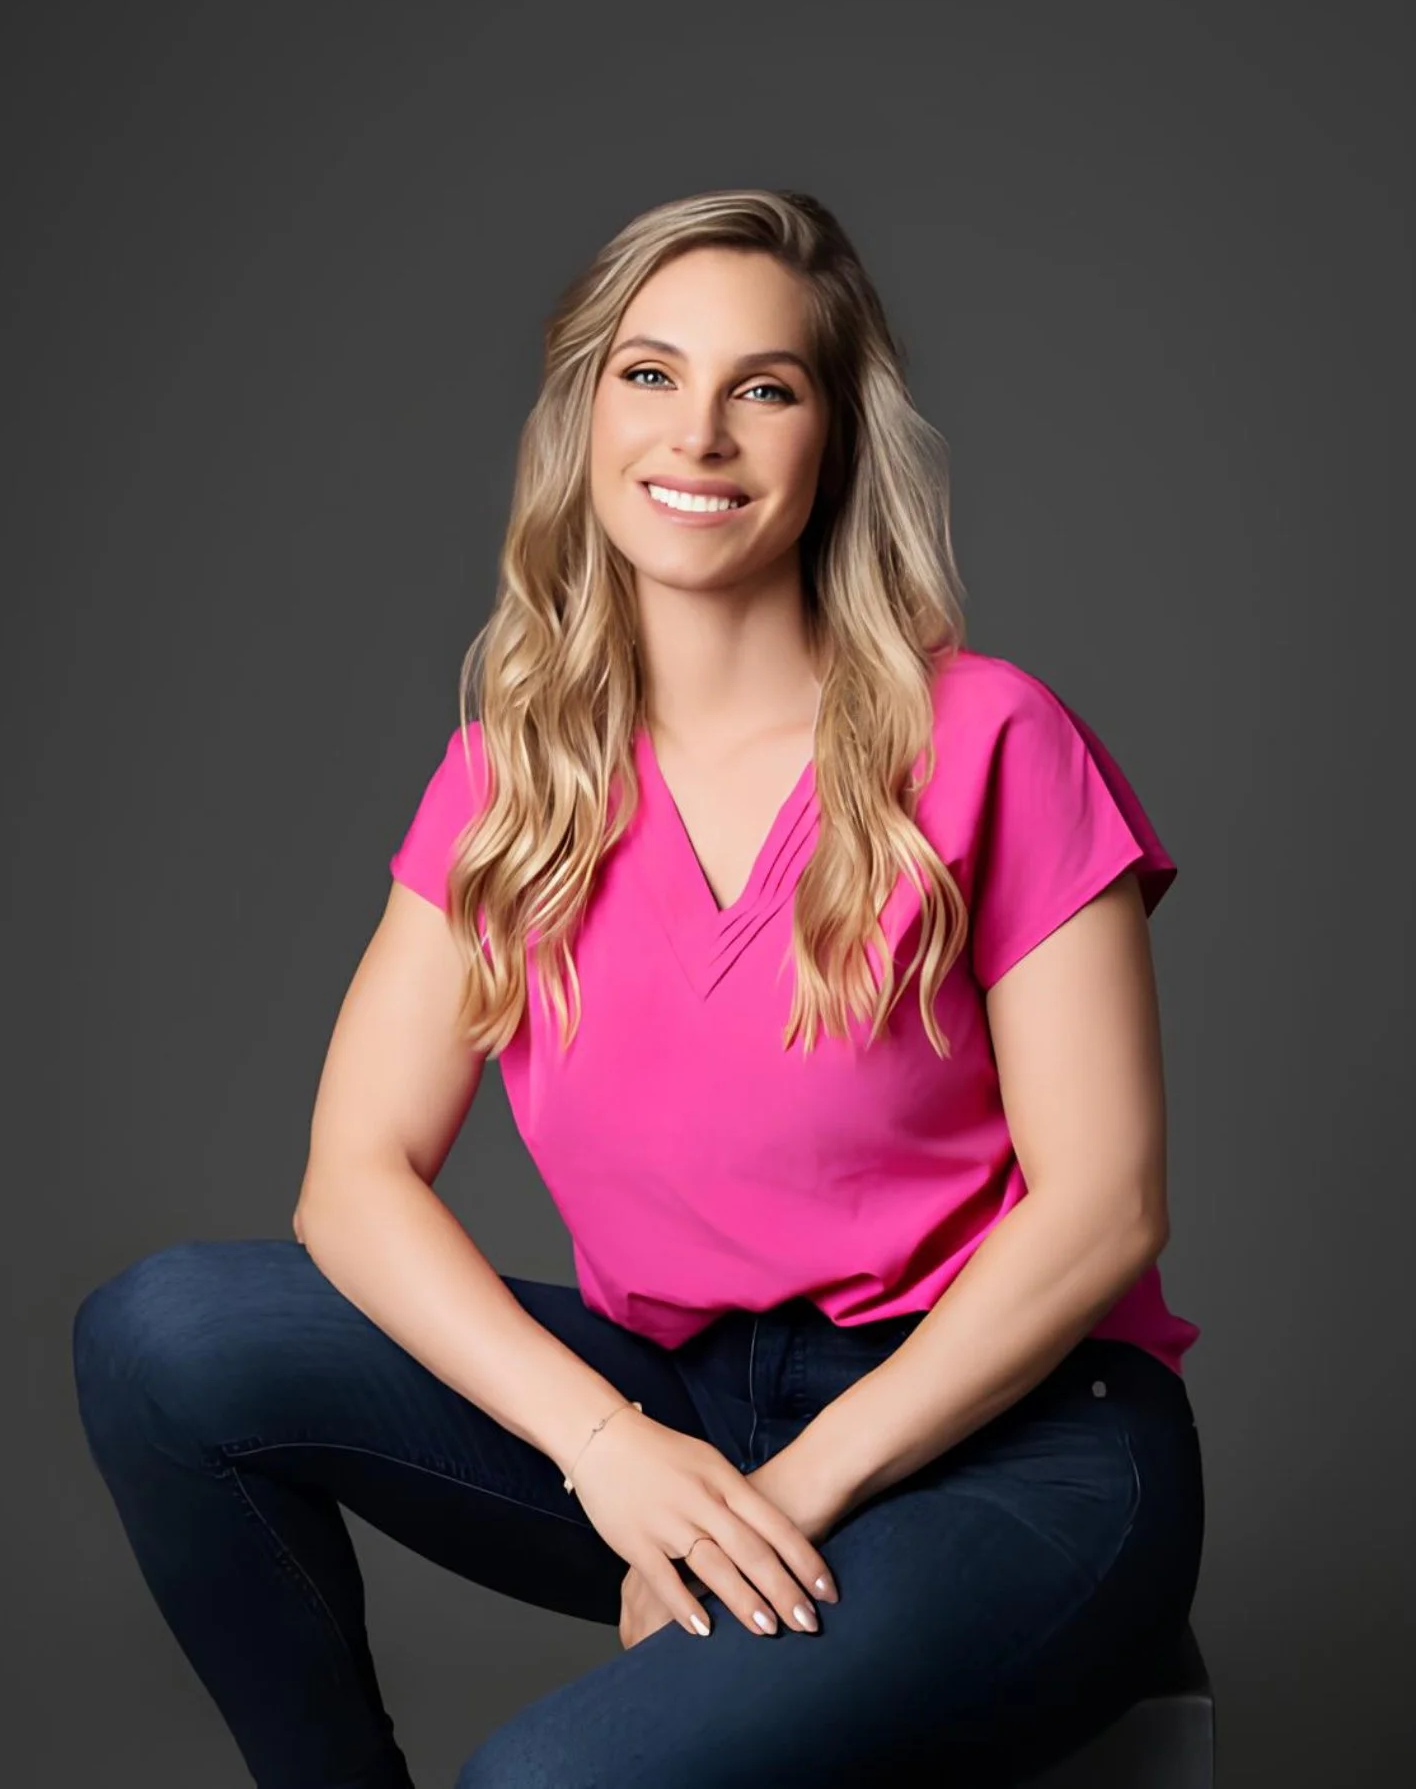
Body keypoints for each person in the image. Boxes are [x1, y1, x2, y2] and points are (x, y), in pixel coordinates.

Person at [72, 188, 1204, 1789]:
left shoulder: (990, 738)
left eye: (766, 386)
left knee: (546, 1785)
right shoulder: (512, 781)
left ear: (832, 443)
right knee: (161, 1336)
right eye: (649, 374)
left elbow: (1106, 1210)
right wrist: (609, 1449)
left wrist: (786, 1501)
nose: (703, 433)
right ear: (585, 416)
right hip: (677, 1405)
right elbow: (354, 1182)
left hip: (1007, 1445)